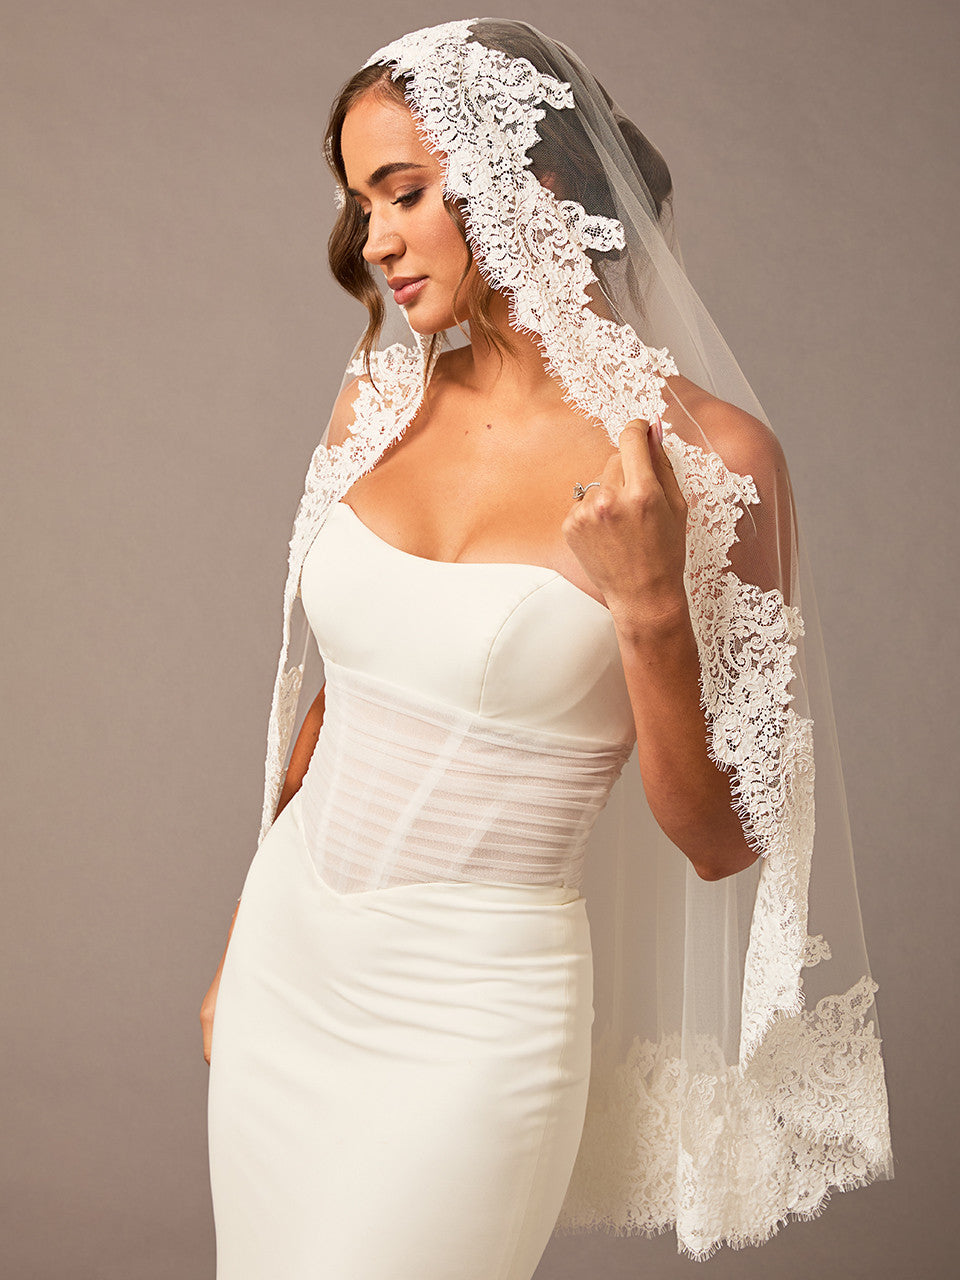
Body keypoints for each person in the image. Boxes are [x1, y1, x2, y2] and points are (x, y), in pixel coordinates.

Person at [201, 19, 893, 1278]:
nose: (375, 240)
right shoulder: (377, 399)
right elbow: (342, 697)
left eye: (405, 191)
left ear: (538, 178)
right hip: (286, 973)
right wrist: (243, 937)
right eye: (361, 204)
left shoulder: (715, 461)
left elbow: (723, 837)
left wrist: (650, 606)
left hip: (472, 1013)